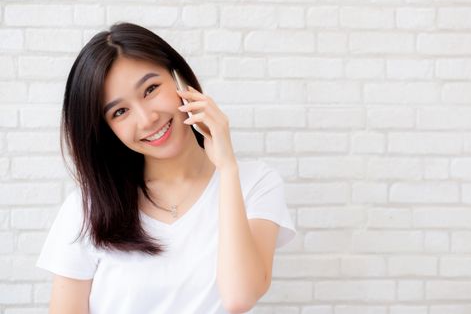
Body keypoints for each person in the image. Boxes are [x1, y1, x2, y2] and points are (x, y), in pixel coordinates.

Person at [35, 22, 296, 314]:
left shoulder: (255, 183)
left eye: (150, 89)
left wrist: (228, 168)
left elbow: (239, 297)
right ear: (107, 130)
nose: (147, 119)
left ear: (180, 80)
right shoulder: (87, 209)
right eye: (120, 112)